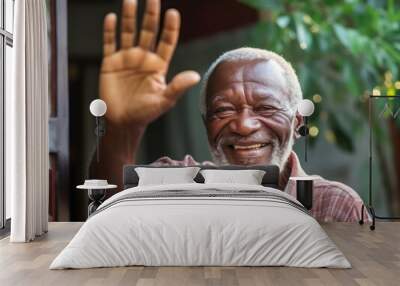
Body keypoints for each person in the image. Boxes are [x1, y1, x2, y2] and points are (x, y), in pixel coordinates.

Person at [90, 0, 368, 222]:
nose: (244, 125)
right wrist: (122, 128)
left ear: (297, 122)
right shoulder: (180, 185)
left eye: (266, 108)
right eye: (223, 111)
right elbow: (112, 207)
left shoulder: (335, 206)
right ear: (206, 124)